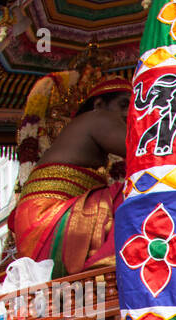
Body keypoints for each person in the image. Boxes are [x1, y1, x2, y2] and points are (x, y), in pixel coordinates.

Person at [9, 77, 131, 279]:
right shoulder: (98, 117)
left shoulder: (85, 126)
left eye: (133, 106)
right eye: (124, 104)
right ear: (99, 104)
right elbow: (147, 151)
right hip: (48, 220)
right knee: (136, 193)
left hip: (37, 227)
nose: (129, 112)